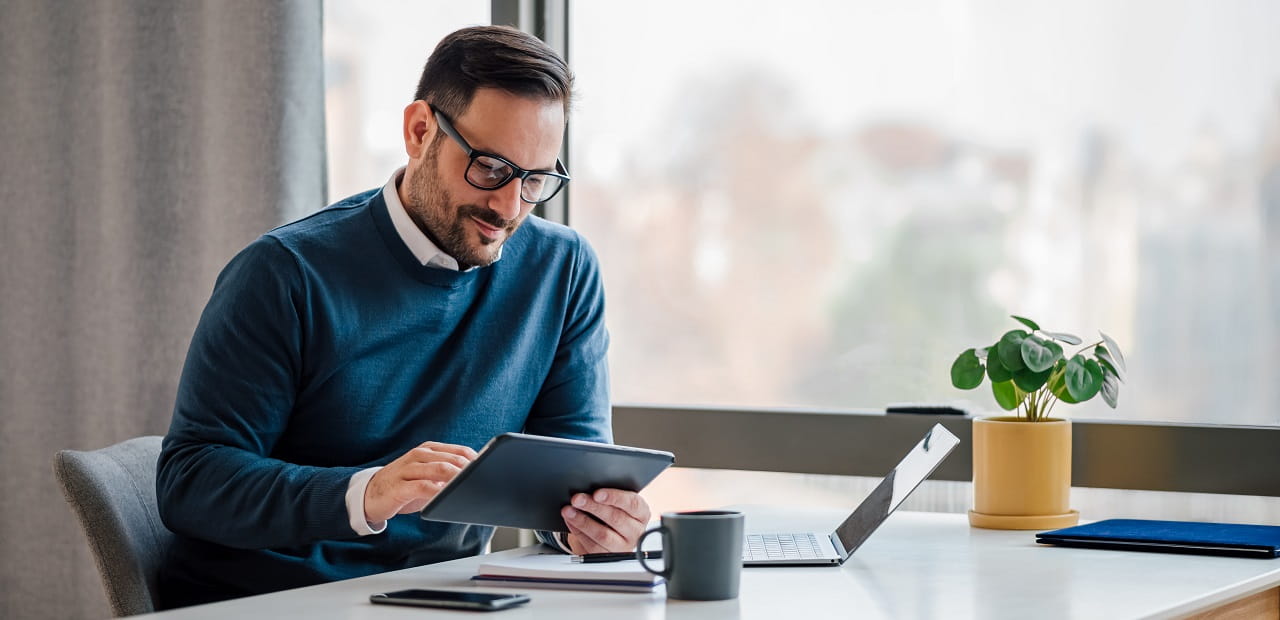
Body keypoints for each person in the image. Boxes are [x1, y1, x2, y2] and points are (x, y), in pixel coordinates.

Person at [155, 25, 650, 608]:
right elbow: (191, 482)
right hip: (271, 598)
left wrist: (593, 523)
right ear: (420, 132)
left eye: (534, 179)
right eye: (490, 168)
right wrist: (366, 492)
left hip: (447, 596)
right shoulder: (284, 273)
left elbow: (570, 478)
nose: (509, 206)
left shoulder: (562, 272)